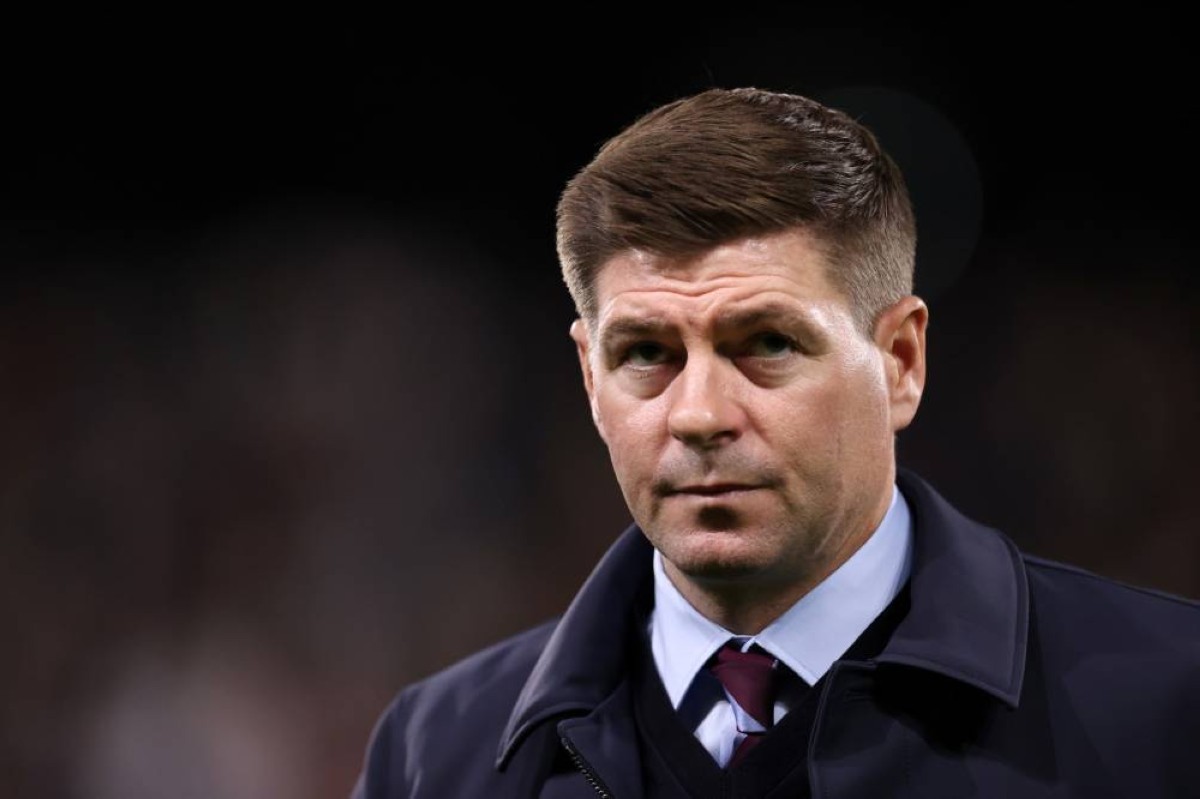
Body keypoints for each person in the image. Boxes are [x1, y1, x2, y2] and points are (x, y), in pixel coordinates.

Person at [350, 87, 1200, 798]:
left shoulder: (1167, 708)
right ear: (589, 380)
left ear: (900, 361)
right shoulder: (436, 755)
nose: (699, 414)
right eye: (646, 353)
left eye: (766, 343)